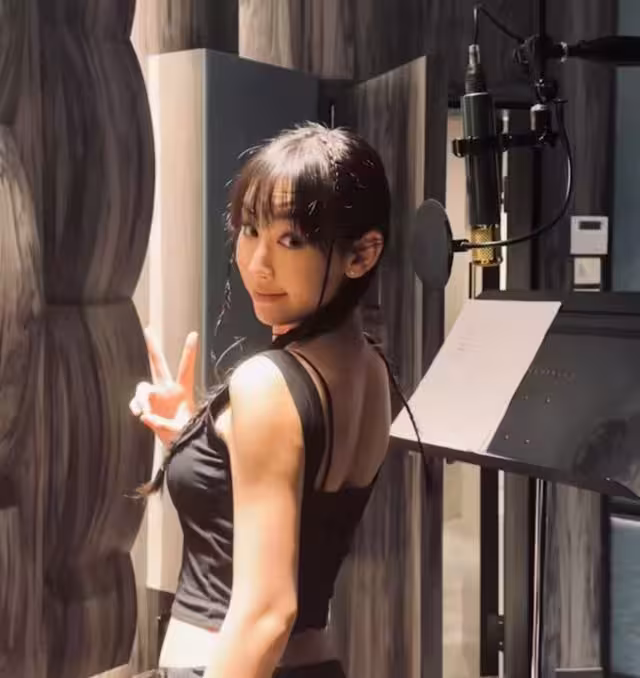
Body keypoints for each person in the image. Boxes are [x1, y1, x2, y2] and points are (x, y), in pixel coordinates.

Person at [129, 123, 419, 678]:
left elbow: (267, 616)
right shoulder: (373, 370)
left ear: (362, 254)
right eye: (250, 229)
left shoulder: (267, 384)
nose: (257, 263)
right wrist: (201, 434)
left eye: (292, 240)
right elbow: (302, 500)